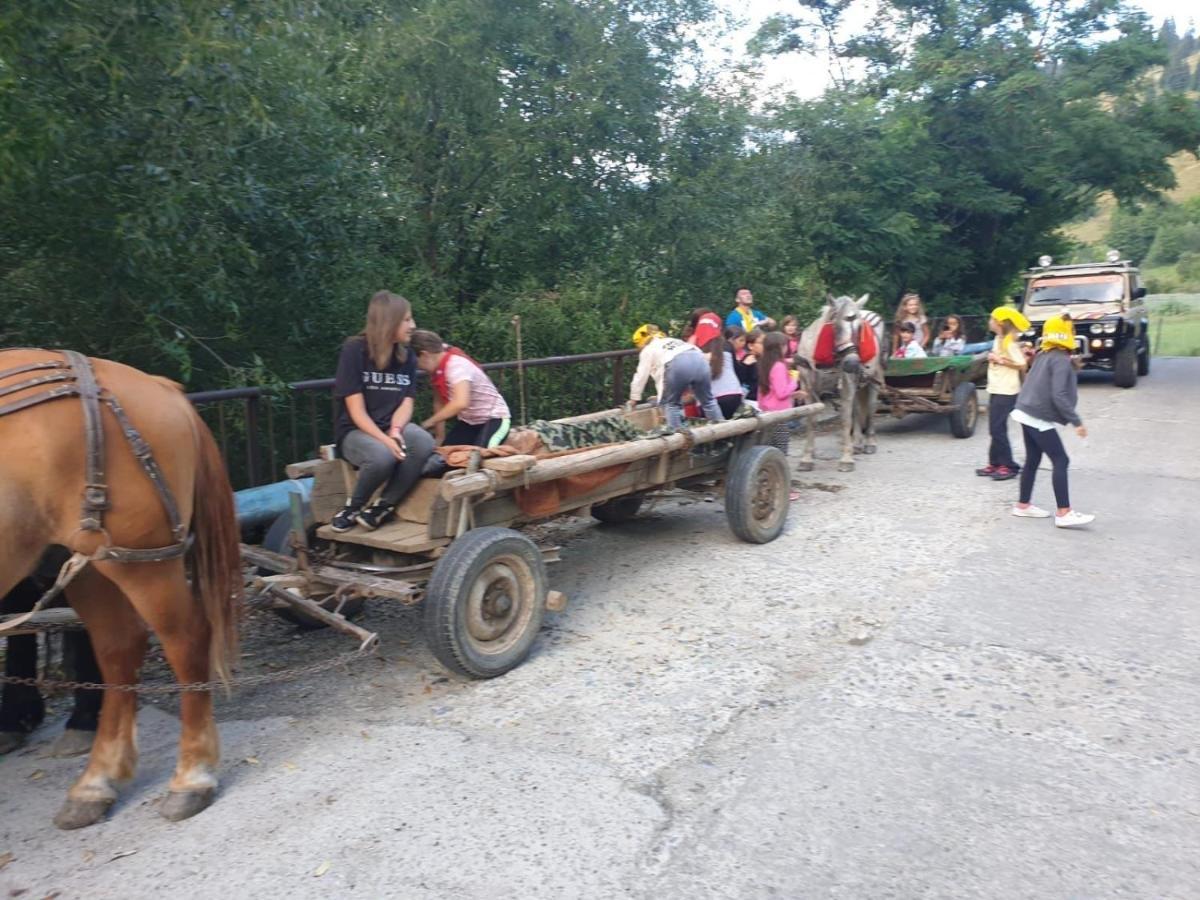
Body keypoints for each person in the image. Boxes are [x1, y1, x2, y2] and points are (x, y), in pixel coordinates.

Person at [331, 291, 436, 532]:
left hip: (390, 426)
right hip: (355, 431)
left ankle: (383, 506)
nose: (413, 326)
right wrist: (386, 440)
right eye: (407, 319)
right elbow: (356, 411)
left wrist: (396, 431)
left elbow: (406, 401)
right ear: (390, 321)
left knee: (422, 441)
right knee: (382, 456)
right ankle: (353, 507)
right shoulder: (354, 350)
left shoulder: (407, 356)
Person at [1010, 315, 1094, 528]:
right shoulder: (1059, 359)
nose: (1073, 332)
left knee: (1033, 459)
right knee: (1061, 460)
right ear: (1065, 333)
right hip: (1037, 416)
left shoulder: (1044, 354)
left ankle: (1023, 505)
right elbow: (1059, 395)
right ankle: (1064, 512)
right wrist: (1077, 422)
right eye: (1071, 329)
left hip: (1024, 411)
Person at [411, 330, 512, 448]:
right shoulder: (438, 371)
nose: (419, 368)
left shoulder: (456, 366)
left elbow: (460, 402)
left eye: (417, 363)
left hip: (494, 418)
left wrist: (428, 422)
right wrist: (440, 437)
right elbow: (439, 403)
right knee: (445, 457)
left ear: (424, 355)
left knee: (482, 455)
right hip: (469, 422)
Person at [629, 323, 725, 428]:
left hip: (677, 364)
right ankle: (723, 431)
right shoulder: (674, 341)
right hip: (700, 359)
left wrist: (634, 398)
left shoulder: (648, 350)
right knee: (708, 401)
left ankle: (678, 436)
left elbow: (641, 376)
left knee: (671, 405)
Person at [976, 306, 1029, 481]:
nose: (989, 321)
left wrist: (1001, 360)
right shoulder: (998, 339)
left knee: (998, 429)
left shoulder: (1009, 343)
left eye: (992, 319)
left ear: (999, 323)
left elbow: (1022, 364)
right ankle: (995, 463)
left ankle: (1009, 466)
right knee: (994, 428)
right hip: (997, 387)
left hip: (1007, 390)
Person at [756, 332, 806, 501]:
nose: (788, 348)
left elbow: (766, 392)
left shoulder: (765, 363)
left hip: (768, 413)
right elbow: (781, 391)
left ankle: (769, 486)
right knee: (780, 453)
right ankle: (784, 489)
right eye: (785, 345)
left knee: (768, 451)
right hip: (779, 416)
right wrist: (794, 380)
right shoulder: (779, 366)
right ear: (779, 347)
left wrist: (794, 394)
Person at [688, 311, 744, 418]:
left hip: (708, 400)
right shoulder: (726, 345)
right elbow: (737, 371)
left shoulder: (693, 347)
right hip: (733, 394)